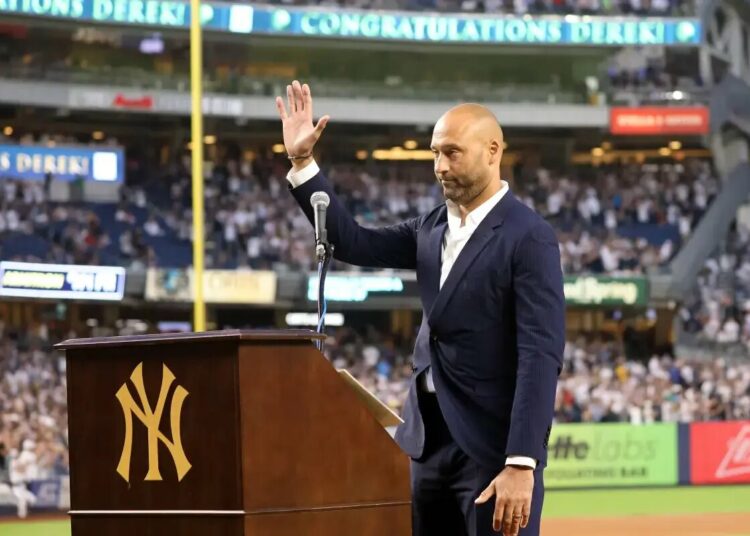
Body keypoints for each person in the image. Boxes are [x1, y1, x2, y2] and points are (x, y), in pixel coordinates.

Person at [275, 80, 565, 536]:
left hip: (491, 450)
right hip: (427, 446)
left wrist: (522, 463)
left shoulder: (528, 237)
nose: (440, 166)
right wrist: (302, 163)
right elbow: (350, 240)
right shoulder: (429, 227)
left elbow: (540, 355)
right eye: (434, 153)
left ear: (493, 151)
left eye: (452, 153)